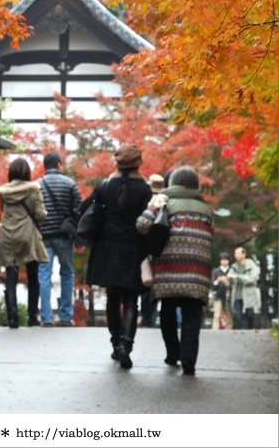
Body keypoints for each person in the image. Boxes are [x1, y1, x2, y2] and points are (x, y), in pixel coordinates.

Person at [136, 165, 212, 376]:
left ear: (172, 184)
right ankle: (188, 358)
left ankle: (172, 353)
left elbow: (142, 225)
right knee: (192, 314)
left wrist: (153, 206)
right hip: (197, 271)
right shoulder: (205, 209)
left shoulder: (164, 202)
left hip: (168, 268)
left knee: (167, 311)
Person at [82, 144, 152, 368]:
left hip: (107, 249)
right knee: (131, 299)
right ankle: (126, 345)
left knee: (112, 298)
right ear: (138, 164)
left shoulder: (105, 186)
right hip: (134, 249)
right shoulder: (145, 190)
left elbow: (84, 209)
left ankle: (115, 344)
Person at [0, 158, 49, 328]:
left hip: (8, 234)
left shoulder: (3, 192)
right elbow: (40, 215)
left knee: (11, 276)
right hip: (28, 235)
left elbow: (4, 211)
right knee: (33, 277)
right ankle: (33, 317)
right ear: (27, 172)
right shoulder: (33, 190)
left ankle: (12, 318)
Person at [37, 152, 82, 327]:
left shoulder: (38, 185)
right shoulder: (70, 184)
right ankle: (65, 316)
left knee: (44, 275)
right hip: (64, 237)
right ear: (59, 165)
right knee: (67, 274)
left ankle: (46, 317)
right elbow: (77, 211)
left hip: (45, 236)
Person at [140, 174, 165, 328]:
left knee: (146, 281)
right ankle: (153, 316)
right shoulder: (166, 200)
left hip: (144, 245)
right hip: (161, 245)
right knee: (157, 282)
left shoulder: (145, 200)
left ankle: (146, 318)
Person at [230, 246, 259, 329]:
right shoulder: (234, 266)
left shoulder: (251, 264)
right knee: (237, 316)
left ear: (244, 254)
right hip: (237, 294)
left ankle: (250, 330)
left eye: (238, 253)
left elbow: (253, 278)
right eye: (235, 253)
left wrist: (238, 276)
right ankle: (238, 334)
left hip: (248, 294)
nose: (236, 255)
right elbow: (229, 278)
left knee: (250, 315)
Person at [211, 252, 233, 329]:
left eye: (226, 260)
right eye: (222, 260)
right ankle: (215, 330)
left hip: (229, 295)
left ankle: (228, 330)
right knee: (217, 314)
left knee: (229, 314)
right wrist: (218, 281)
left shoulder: (231, 271)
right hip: (218, 295)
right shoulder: (216, 271)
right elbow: (212, 283)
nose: (224, 261)